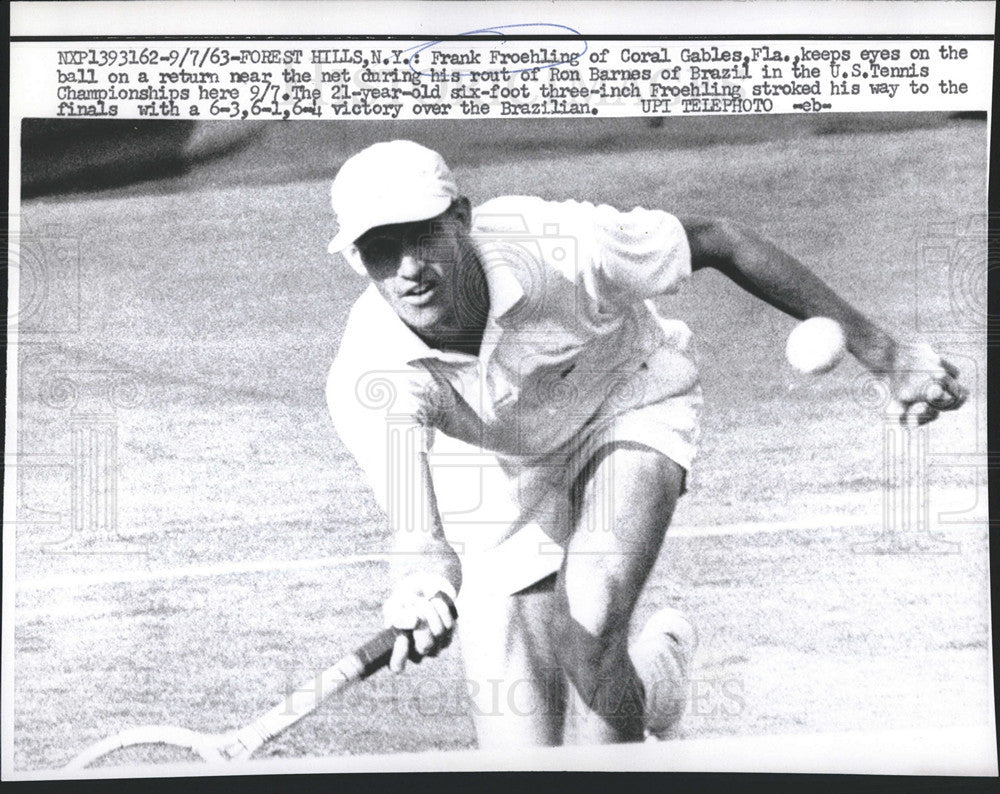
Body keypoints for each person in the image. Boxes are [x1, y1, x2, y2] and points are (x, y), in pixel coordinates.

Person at [325, 140, 967, 747]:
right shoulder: (369, 374)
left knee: (592, 606)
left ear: (461, 218)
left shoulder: (561, 245)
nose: (409, 268)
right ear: (356, 258)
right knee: (527, 752)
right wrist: (421, 590)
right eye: (382, 247)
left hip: (628, 400)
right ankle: (656, 684)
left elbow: (719, 240)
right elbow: (418, 536)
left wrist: (887, 355)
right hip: (501, 463)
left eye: (424, 236)